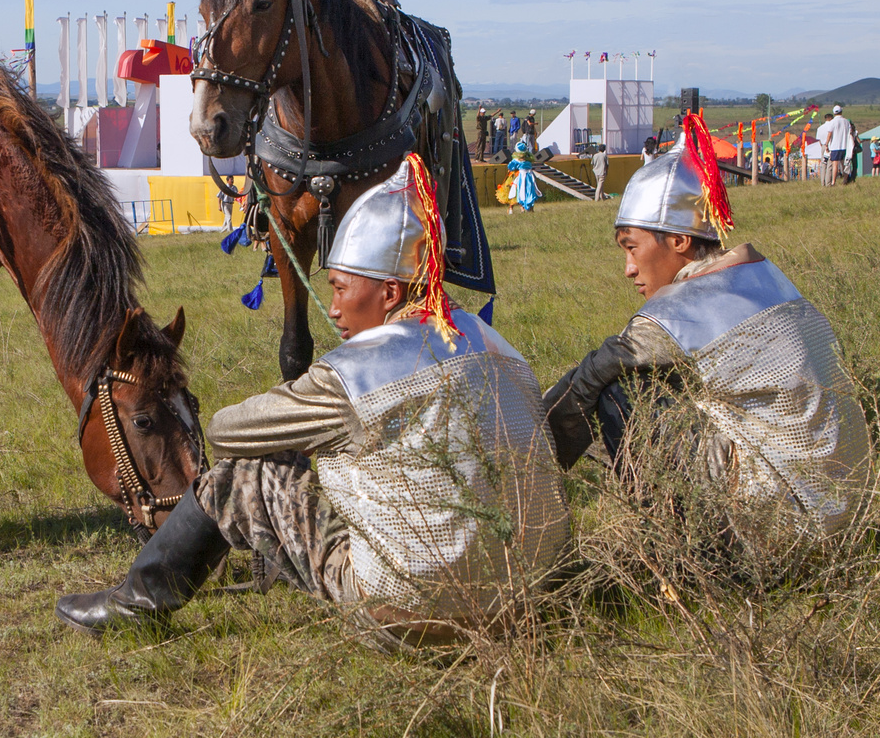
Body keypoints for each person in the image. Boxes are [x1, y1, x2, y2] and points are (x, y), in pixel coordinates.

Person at [54, 155, 569, 647]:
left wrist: (309, 436)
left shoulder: (351, 376)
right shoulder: (499, 347)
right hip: (525, 600)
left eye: (343, 288)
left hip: (411, 615)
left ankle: (136, 604)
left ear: (391, 294)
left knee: (245, 474)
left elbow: (227, 432)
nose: (334, 306)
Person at [540, 115, 870, 560]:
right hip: (843, 520)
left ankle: (683, 561)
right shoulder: (766, 279)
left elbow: (591, 374)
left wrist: (528, 467)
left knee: (619, 391)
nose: (629, 269)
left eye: (631, 246)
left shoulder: (680, 311)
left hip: (775, 536)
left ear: (677, 239)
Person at [496, 141, 539, 215]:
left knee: (515, 192)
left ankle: (518, 208)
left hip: (518, 177)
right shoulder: (528, 160)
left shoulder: (516, 160)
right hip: (526, 177)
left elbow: (510, 167)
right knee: (525, 191)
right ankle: (524, 208)